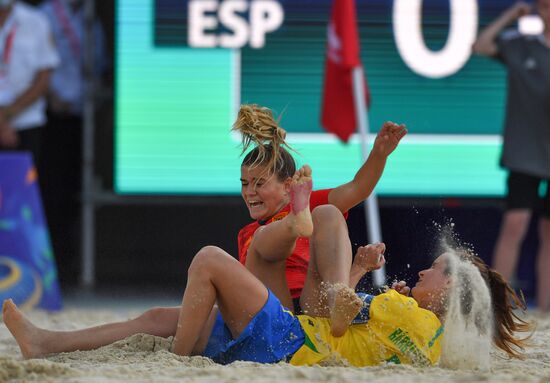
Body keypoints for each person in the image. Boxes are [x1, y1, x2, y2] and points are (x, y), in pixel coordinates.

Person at [2, 171, 531, 366]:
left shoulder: (415, 318)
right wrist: (353, 280)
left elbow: (339, 323)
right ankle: (45, 344)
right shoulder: (422, 328)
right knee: (161, 315)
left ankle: (185, 362)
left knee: (210, 260)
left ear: (446, 296)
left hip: (291, 341)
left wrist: (351, 281)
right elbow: (351, 330)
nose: (422, 275)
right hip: (294, 336)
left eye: (436, 272)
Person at [233, 104, 407, 312]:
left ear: (289, 186)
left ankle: (338, 300)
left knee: (328, 212)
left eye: (259, 183)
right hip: (275, 311)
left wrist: (379, 153)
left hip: (312, 302)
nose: (250, 191)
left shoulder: (305, 202)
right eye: (244, 183)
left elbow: (358, 188)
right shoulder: (246, 234)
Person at [472, 0, 550, 310]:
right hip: (524, 153)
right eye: (543, 6)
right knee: (515, 223)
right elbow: (481, 45)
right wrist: (510, 15)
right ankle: (498, 304)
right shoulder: (522, 46)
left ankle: (546, 309)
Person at [38, 0, 107, 284]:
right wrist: (51, 97)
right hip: (49, 114)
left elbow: (100, 64)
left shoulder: (93, 21)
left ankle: (65, 263)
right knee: (48, 190)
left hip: (81, 115)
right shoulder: (45, 14)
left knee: (70, 193)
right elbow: (40, 66)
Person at [0, 0, 59, 170]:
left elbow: (43, 79)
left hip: (26, 123)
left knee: (20, 192)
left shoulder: (36, 21)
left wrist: (6, 115)